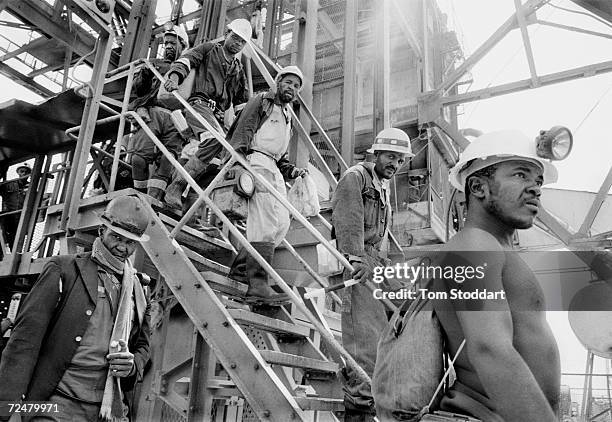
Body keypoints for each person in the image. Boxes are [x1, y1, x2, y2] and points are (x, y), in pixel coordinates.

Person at [430, 130, 561, 421]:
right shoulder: (473, 244)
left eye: (538, 180)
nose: (535, 188)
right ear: (478, 187)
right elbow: (490, 349)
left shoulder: (497, 250)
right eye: (520, 175)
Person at [0, 195, 152, 422]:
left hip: (108, 410)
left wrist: (131, 366)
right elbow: (25, 341)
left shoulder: (137, 288)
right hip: (55, 405)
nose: (122, 247)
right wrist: (5, 408)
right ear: (102, 231)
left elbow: (143, 345)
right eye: (116, 237)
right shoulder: (64, 270)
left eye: (130, 242)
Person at [331, 128, 413, 421]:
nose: (395, 164)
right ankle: (360, 405)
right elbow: (348, 218)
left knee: (412, 309)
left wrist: (401, 272)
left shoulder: (382, 185)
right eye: (391, 157)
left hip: (379, 260)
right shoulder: (356, 178)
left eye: (400, 160)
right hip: (361, 261)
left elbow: (385, 234)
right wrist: (355, 258)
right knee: (366, 333)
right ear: (375, 154)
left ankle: (396, 389)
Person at [226, 65, 308, 304]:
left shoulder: (287, 115)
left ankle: (242, 268)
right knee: (265, 221)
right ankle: (258, 284)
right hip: (256, 161)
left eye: (296, 85)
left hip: (273, 167)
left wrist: (291, 170)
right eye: (288, 82)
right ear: (278, 82)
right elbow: (244, 130)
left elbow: (279, 153)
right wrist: (238, 162)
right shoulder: (262, 101)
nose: (291, 88)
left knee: (282, 222)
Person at [162, 18, 252, 214]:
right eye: (235, 37)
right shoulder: (210, 48)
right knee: (214, 140)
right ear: (227, 33)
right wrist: (175, 77)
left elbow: (241, 104)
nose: (237, 43)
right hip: (199, 104)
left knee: (215, 163)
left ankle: (191, 216)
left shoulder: (238, 70)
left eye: (242, 41)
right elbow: (187, 60)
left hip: (217, 116)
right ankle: (176, 186)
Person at [126, 106, 184, 201]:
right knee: (138, 160)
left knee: (167, 159)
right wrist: (138, 107)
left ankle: (153, 198)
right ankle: (139, 195)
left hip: (178, 117)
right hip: (153, 113)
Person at [130, 23, 189, 110]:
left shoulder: (188, 68)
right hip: (149, 108)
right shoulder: (153, 64)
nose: (168, 47)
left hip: (172, 111)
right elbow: (138, 91)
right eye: (166, 43)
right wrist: (145, 74)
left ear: (183, 45)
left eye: (173, 43)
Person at [0, 163, 31, 252]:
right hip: (9, 216)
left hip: (21, 218)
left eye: (26, 172)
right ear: (18, 172)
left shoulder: (31, 187)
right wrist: (2, 172)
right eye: (22, 171)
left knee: (15, 242)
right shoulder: (9, 184)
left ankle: (14, 255)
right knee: (3, 235)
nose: (24, 173)